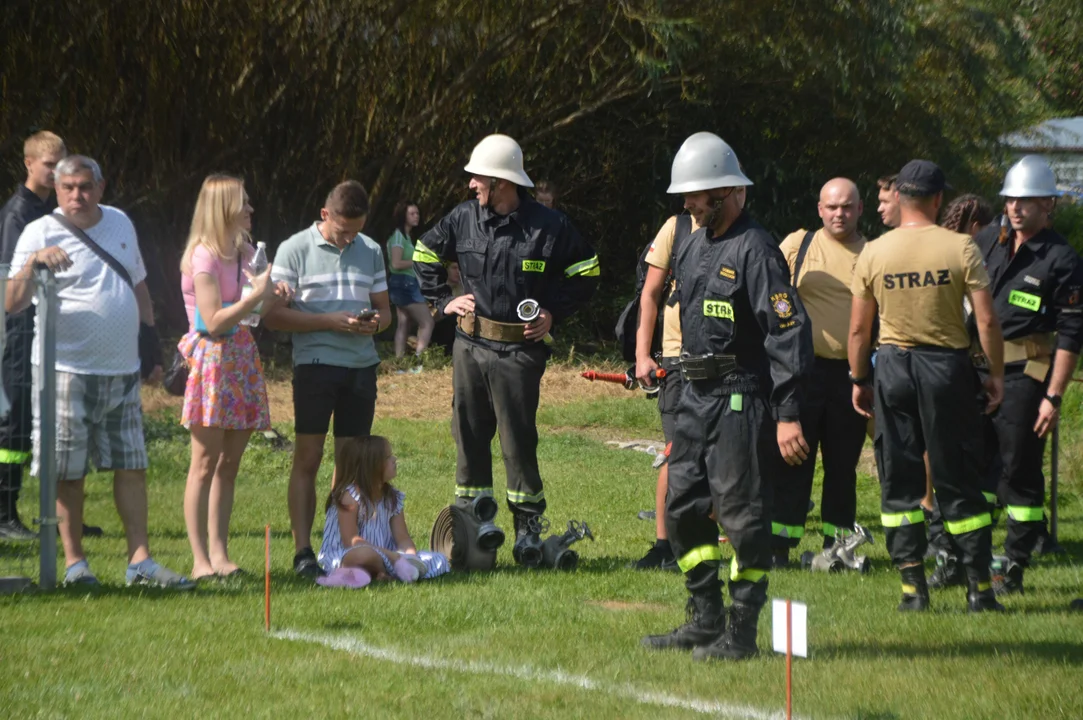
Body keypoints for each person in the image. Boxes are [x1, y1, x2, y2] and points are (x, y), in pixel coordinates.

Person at [642, 132, 813, 661]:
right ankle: (703, 617)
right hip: (693, 393)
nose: (688, 204)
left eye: (696, 195)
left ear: (728, 192)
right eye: (686, 196)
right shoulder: (692, 242)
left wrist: (787, 416)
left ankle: (741, 632)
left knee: (740, 517)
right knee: (684, 506)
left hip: (741, 398)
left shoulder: (757, 250)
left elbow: (788, 335)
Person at [4, 155, 189, 588]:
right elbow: (11, 302)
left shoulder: (120, 222)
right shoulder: (38, 230)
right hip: (65, 371)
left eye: (85, 186)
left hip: (121, 371)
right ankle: (75, 565)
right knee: (68, 471)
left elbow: (137, 282)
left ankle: (140, 562)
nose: (76, 195)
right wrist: (34, 262)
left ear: (101, 188)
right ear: (57, 187)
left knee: (132, 466)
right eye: (67, 187)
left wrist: (150, 341)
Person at [413, 134, 598, 566]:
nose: (471, 185)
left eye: (478, 177)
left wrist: (553, 312)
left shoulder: (549, 226)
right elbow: (423, 252)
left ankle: (528, 532)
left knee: (518, 442)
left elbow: (587, 271)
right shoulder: (462, 218)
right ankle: (472, 530)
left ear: (501, 182)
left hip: (519, 353)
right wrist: (443, 302)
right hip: (469, 346)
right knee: (469, 435)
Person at [849, 159, 1004, 613]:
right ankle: (979, 589)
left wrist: (860, 379)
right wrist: (995, 374)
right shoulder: (962, 247)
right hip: (947, 368)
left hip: (893, 367)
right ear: (938, 200)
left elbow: (859, 331)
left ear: (898, 197)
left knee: (899, 480)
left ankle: (913, 590)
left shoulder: (874, 252)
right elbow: (988, 319)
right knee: (959, 478)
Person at [266, 180, 392, 580]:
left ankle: (337, 544)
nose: (349, 238)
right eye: (343, 230)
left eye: (356, 230)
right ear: (325, 215)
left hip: (361, 366)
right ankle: (303, 551)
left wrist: (375, 325)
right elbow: (273, 317)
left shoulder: (370, 250)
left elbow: (386, 311)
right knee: (308, 458)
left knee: (351, 464)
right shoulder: (293, 249)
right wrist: (329, 321)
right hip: (315, 364)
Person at [971, 156, 1083, 596]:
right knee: (975, 471)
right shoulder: (987, 241)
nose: (1016, 208)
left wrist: (1052, 397)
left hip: (1024, 376)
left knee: (1018, 472)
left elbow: (1072, 335)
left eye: (1027, 201)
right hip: (976, 372)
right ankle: (973, 559)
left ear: (1049, 205)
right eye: (1010, 199)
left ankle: (1014, 564)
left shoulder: (1061, 258)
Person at [178, 175, 291, 581]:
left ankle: (220, 554)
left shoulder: (244, 249)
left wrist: (273, 293)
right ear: (222, 208)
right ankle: (199, 561)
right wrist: (253, 296)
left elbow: (252, 309)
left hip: (241, 355)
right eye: (243, 203)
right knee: (204, 463)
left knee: (229, 464)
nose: (250, 209)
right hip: (212, 359)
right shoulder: (203, 256)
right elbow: (212, 320)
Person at [632, 186, 747, 571]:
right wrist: (643, 355)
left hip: (726, 366)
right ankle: (664, 546)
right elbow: (650, 293)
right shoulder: (676, 229)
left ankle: (703, 538)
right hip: (678, 361)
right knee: (675, 452)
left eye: (697, 195)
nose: (688, 204)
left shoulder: (746, 239)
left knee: (718, 456)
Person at [770, 178, 868, 566]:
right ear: (819, 209)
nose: (839, 214)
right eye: (832, 207)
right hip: (801, 372)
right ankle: (779, 547)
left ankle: (838, 547)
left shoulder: (873, 254)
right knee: (792, 459)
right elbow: (767, 289)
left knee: (843, 466)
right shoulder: (798, 244)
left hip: (850, 376)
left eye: (847, 207)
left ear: (860, 210)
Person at [0, 131, 74, 540]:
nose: (55, 171)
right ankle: (4, 509)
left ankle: (67, 514)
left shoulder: (56, 210)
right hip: (17, 328)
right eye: (49, 164)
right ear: (28, 164)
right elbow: (9, 278)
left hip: (50, 327)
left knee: (49, 418)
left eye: (60, 163)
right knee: (14, 422)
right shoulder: (17, 214)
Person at [924, 193, 996, 587]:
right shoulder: (963, 258)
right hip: (956, 375)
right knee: (961, 473)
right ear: (973, 228)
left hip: (924, 374)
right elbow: (977, 321)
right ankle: (958, 559)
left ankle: (949, 551)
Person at [316, 435, 449, 587]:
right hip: (349, 554)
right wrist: (391, 557)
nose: (394, 459)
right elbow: (351, 541)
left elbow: (403, 538)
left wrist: (410, 558)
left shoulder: (392, 497)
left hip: (388, 556)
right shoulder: (350, 496)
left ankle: (375, 573)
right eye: (388, 457)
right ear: (370, 466)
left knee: (439, 559)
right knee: (365, 555)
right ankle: (365, 572)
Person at [386, 200, 435, 360]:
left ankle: (399, 360)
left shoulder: (405, 237)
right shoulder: (398, 237)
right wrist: (419, 261)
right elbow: (396, 263)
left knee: (404, 323)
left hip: (403, 283)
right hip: (404, 283)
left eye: (417, 213)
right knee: (427, 322)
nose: (416, 216)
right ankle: (419, 360)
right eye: (412, 214)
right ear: (403, 216)